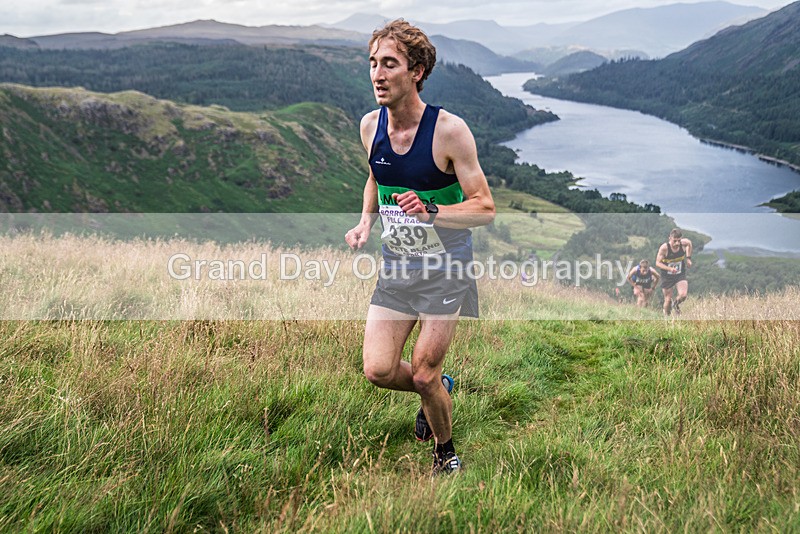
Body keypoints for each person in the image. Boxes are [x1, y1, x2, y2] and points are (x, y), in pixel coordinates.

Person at [344, 19, 495, 475]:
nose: (378, 73)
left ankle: (445, 454)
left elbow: (485, 207)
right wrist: (365, 222)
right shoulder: (371, 127)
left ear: (417, 71)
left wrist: (429, 212)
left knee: (424, 370)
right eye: (373, 63)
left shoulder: (450, 132)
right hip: (397, 265)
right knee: (379, 370)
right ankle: (438, 391)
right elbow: (377, 176)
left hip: (446, 266)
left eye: (390, 63)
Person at [655, 228, 693, 315]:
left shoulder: (684, 243)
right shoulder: (664, 248)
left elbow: (689, 244)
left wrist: (688, 258)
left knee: (683, 295)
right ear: (670, 238)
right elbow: (657, 263)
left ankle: (675, 304)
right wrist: (670, 269)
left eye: (679, 241)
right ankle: (667, 317)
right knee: (668, 299)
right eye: (674, 241)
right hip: (667, 275)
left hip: (680, 273)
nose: (677, 243)